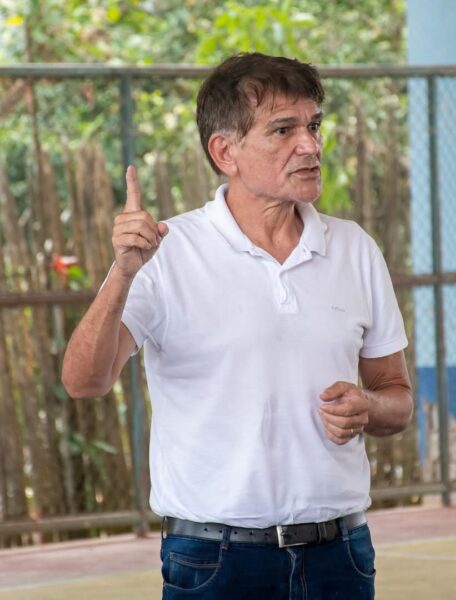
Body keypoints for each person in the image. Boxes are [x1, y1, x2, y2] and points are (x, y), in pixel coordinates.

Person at [62, 52, 413, 600]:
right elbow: (84, 381)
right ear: (225, 152)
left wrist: (368, 406)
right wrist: (124, 273)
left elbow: (398, 400)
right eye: (283, 130)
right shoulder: (167, 253)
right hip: (213, 561)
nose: (310, 145)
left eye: (314, 125)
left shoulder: (354, 249)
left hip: (341, 556)